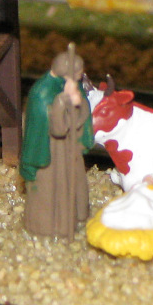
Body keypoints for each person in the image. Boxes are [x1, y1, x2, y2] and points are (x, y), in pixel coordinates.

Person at [20, 44, 93, 238]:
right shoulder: (41, 93)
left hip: (69, 148)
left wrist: (78, 102)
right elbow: (57, 128)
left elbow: (79, 116)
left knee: (74, 181)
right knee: (51, 188)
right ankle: (50, 228)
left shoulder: (70, 85)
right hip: (51, 151)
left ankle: (77, 217)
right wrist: (63, 101)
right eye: (78, 73)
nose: (81, 77)